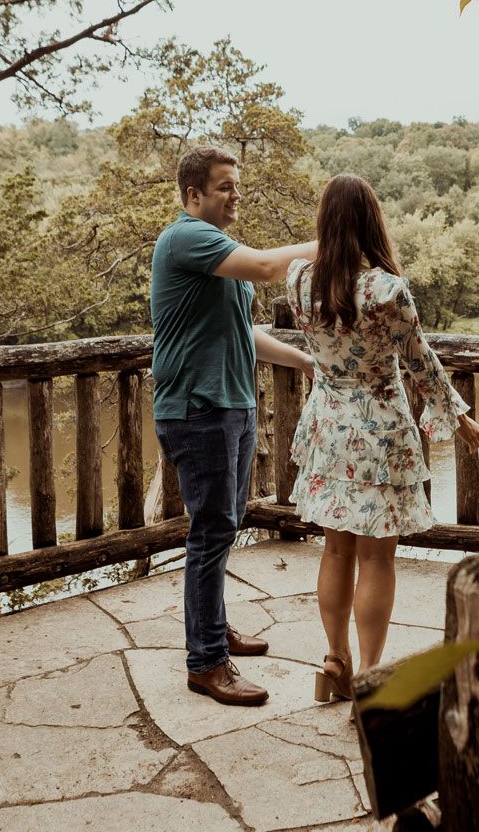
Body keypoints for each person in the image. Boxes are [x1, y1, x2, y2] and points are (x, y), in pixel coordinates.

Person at [283, 173, 479, 702]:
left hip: (327, 425)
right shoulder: (385, 290)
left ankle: (333, 662)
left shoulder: (299, 281)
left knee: (334, 552)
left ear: (325, 223)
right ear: (373, 222)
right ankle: (369, 678)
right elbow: (422, 365)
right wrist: (459, 420)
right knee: (376, 559)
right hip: (379, 430)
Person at [150, 145, 316, 707]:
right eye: (224, 186)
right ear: (194, 195)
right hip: (198, 411)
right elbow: (272, 265)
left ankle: (213, 630)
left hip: (232, 407)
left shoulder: (219, 257)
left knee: (223, 523)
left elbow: (243, 332)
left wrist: (305, 360)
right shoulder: (185, 237)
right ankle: (205, 663)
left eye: (235, 185)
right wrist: (343, 240)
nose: (235, 194)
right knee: (211, 532)